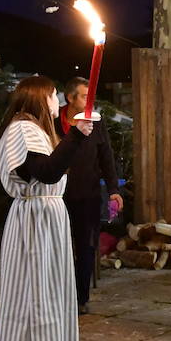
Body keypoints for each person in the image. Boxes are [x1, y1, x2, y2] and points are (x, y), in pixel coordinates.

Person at [0, 76, 97, 341]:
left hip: (48, 219)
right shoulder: (21, 130)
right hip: (33, 223)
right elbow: (46, 172)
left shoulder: (38, 131)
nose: (57, 103)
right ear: (39, 99)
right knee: (32, 302)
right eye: (54, 96)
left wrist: (75, 137)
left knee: (54, 300)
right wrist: (75, 135)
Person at [60, 76, 122, 315]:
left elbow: (106, 156)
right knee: (60, 246)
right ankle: (59, 294)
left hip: (88, 194)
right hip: (59, 197)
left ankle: (80, 298)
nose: (90, 101)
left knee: (86, 246)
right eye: (85, 96)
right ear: (70, 97)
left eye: (91, 97)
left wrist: (114, 190)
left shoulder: (96, 122)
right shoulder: (56, 121)